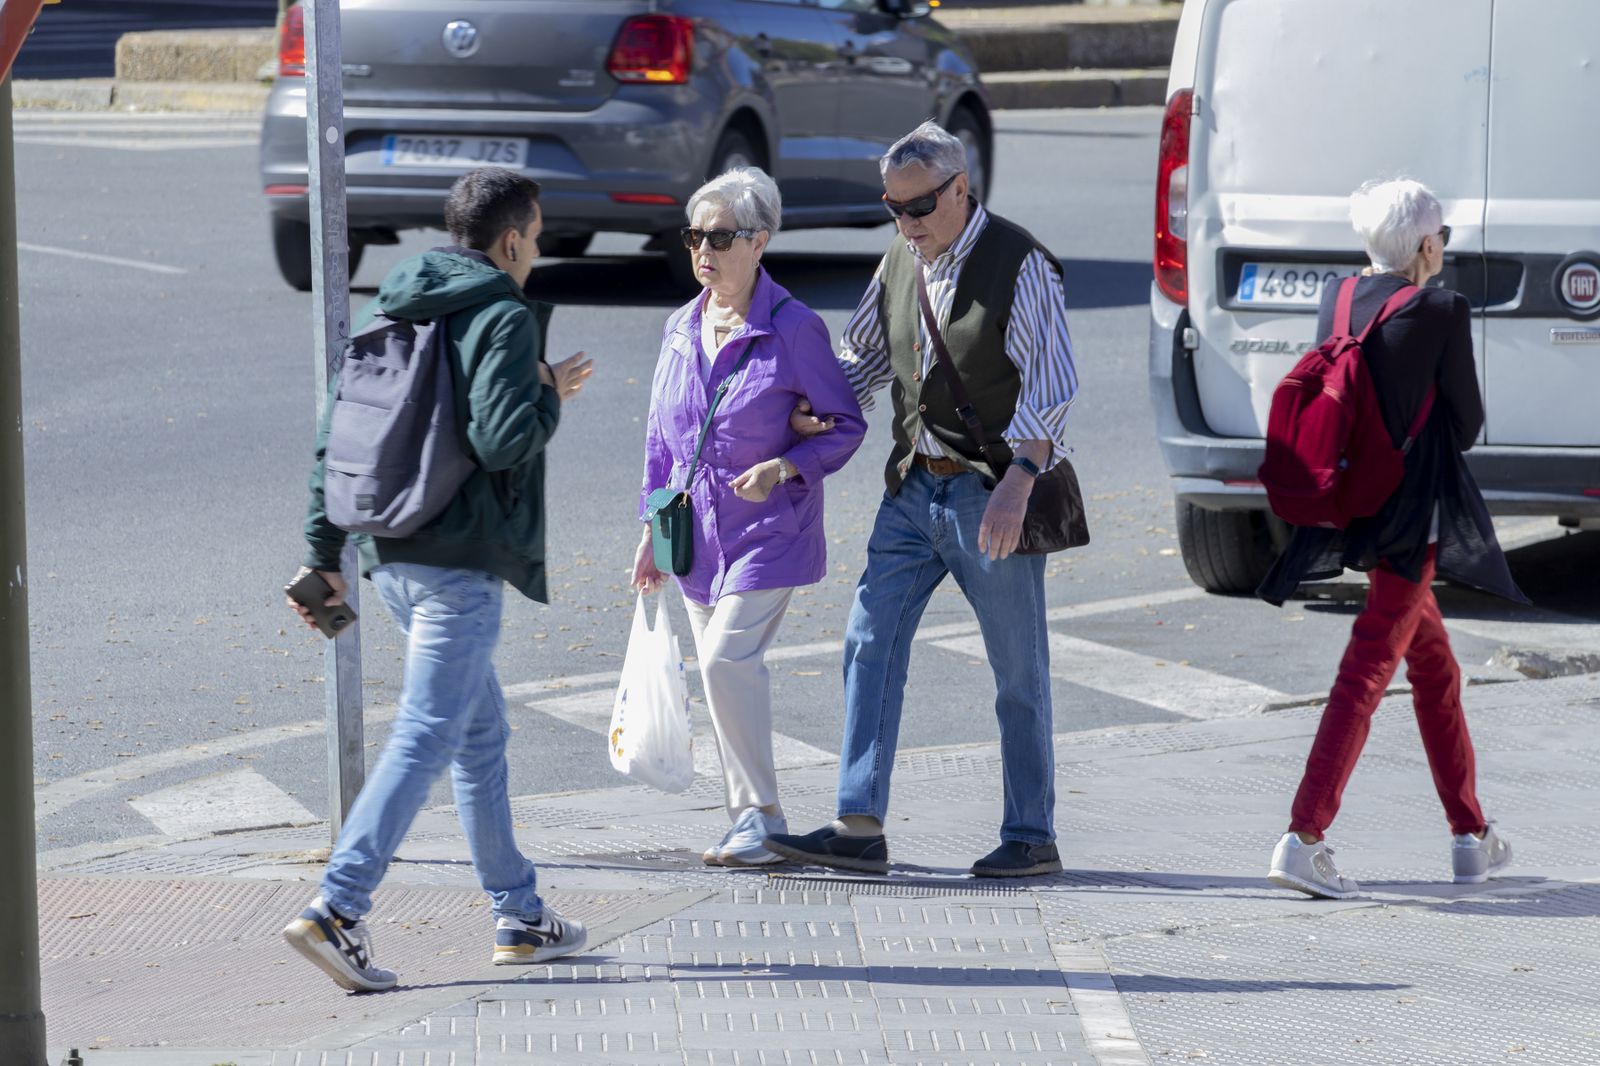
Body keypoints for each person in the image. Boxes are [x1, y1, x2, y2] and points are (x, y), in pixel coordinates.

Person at [282, 166, 595, 991]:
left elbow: (335, 435)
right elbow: (500, 441)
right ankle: (338, 909)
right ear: (511, 239)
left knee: (478, 733)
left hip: (390, 560)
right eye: (538, 234)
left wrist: (324, 555)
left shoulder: (395, 305)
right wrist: (549, 392)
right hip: (459, 566)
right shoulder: (501, 314)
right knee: (426, 733)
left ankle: (519, 912)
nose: (538, 249)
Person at [765, 121, 1080, 878]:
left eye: (921, 206)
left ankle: (1031, 835)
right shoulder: (901, 259)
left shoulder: (1021, 262)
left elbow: (1053, 387)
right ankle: (859, 823)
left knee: (1017, 672)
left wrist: (1015, 485)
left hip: (990, 493)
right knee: (868, 645)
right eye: (894, 208)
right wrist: (818, 408)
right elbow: (866, 356)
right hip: (912, 487)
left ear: (961, 189)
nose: (907, 223)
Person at [1261, 178, 1525, 900]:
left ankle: (1470, 835)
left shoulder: (1338, 298)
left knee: (1435, 667)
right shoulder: (1442, 307)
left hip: (1354, 501)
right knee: (1369, 668)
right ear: (1428, 245)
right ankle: (1304, 836)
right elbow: (1465, 424)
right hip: (1413, 519)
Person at [633, 167, 866, 867]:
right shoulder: (681, 326)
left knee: (727, 661)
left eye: (721, 237)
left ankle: (763, 817)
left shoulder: (794, 328)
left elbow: (844, 425)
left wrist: (786, 466)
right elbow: (658, 440)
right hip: (697, 535)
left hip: (771, 530)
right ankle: (750, 821)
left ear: (759, 242)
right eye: (694, 237)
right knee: (718, 672)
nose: (704, 250)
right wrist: (649, 530)